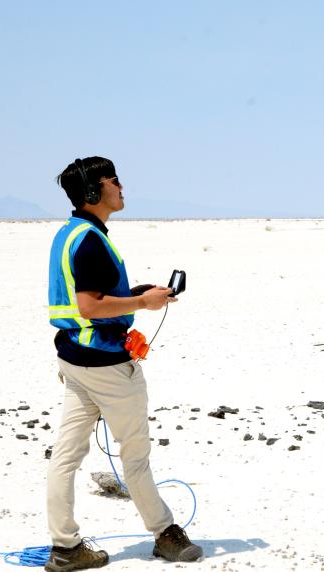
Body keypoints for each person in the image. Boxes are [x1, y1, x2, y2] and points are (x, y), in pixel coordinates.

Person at [44, 157, 202, 571]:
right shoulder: (91, 240)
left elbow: (87, 299)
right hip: (107, 367)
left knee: (66, 456)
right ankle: (166, 534)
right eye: (113, 180)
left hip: (75, 359)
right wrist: (140, 302)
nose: (121, 185)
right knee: (135, 455)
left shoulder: (71, 233)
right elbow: (89, 304)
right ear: (94, 192)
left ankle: (64, 547)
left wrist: (134, 293)